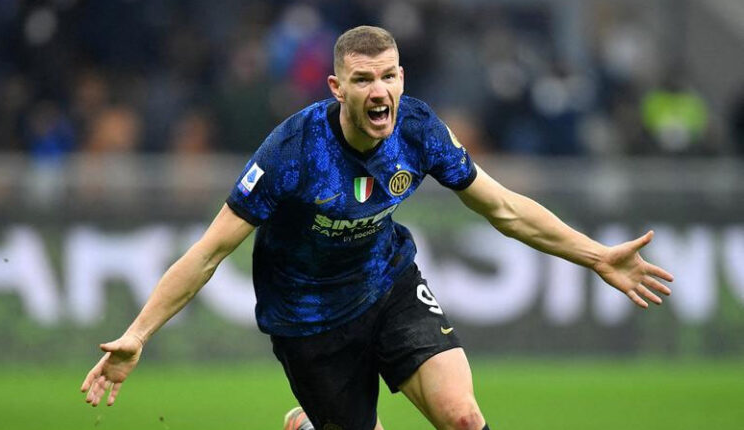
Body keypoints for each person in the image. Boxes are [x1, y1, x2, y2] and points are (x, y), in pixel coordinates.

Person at [81, 26, 673, 430]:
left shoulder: (418, 130)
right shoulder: (291, 151)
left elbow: (504, 209)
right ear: (337, 88)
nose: (379, 91)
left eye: (388, 76)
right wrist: (139, 334)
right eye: (363, 79)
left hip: (387, 285)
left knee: (464, 418)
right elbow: (209, 252)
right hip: (308, 320)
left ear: (402, 79)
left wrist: (597, 256)